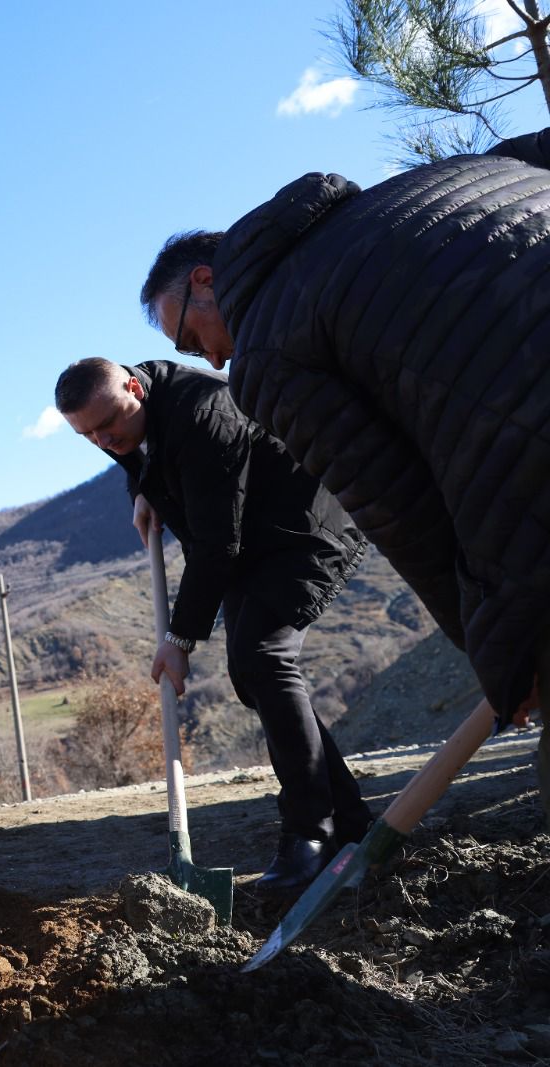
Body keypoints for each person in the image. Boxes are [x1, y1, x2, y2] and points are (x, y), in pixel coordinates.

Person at [141, 131, 550, 826]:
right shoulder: (423, 189)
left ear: (205, 280)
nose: (208, 356)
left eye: (188, 338)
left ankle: (324, 824)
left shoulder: (269, 346)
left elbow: (400, 510)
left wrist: (504, 660)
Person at [55, 357, 372, 890]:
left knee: (263, 658)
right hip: (254, 544)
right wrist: (141, 489)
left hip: (303, 532)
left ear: (134, 386)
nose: (103, 441)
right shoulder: (130, 419)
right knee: (253, 674)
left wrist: (180, 639)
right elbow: (137, 453)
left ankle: (311, 832)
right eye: (87, 436)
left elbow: (215, 543)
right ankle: (351, 823)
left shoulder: (205, 415)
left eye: (108, 425)